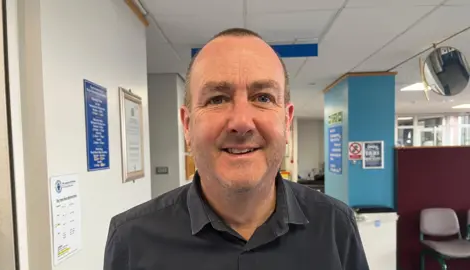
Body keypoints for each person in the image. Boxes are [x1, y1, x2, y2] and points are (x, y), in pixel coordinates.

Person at [104, 28, 369, 270]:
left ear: (286, 121)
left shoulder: (336, 226)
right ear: (187, 125)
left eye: (263, 97)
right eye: (217, 99)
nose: (241, 122)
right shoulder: (131, 239)